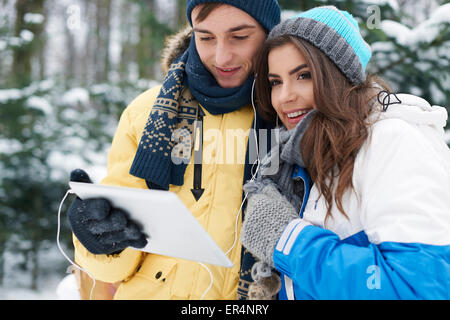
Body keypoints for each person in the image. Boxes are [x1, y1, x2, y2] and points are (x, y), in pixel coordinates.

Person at [66, 0, 281, 300]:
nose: (221, 56)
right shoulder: (146, 113)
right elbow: (112, 272)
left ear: (270, 35)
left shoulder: (288, 116)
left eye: (240, 37)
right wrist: (99, 241)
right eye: (205, 37)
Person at [240, 6, 450, 300]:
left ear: (339, 77)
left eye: (303, 75)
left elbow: (416, 289)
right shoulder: (308, 158)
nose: (284, 96)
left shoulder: (393, 142)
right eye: (275, 82)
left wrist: (288, 240)